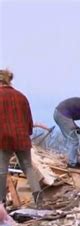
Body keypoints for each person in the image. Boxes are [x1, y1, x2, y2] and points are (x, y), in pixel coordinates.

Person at [0, 69, 42, 205]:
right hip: (21, 137)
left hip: (3, 137)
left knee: (2, 170)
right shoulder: (21, 96)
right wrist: (27, 133)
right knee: (28, 167)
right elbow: (28, 119)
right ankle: (38, 197)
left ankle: (1, 201)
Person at [54, 97, 80, 169]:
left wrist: (76, 127)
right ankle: (72, 163)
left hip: (60, 113)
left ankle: (73, 160)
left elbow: (70, 114)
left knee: (72, 138)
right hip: (61, 114)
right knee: (73, 140)